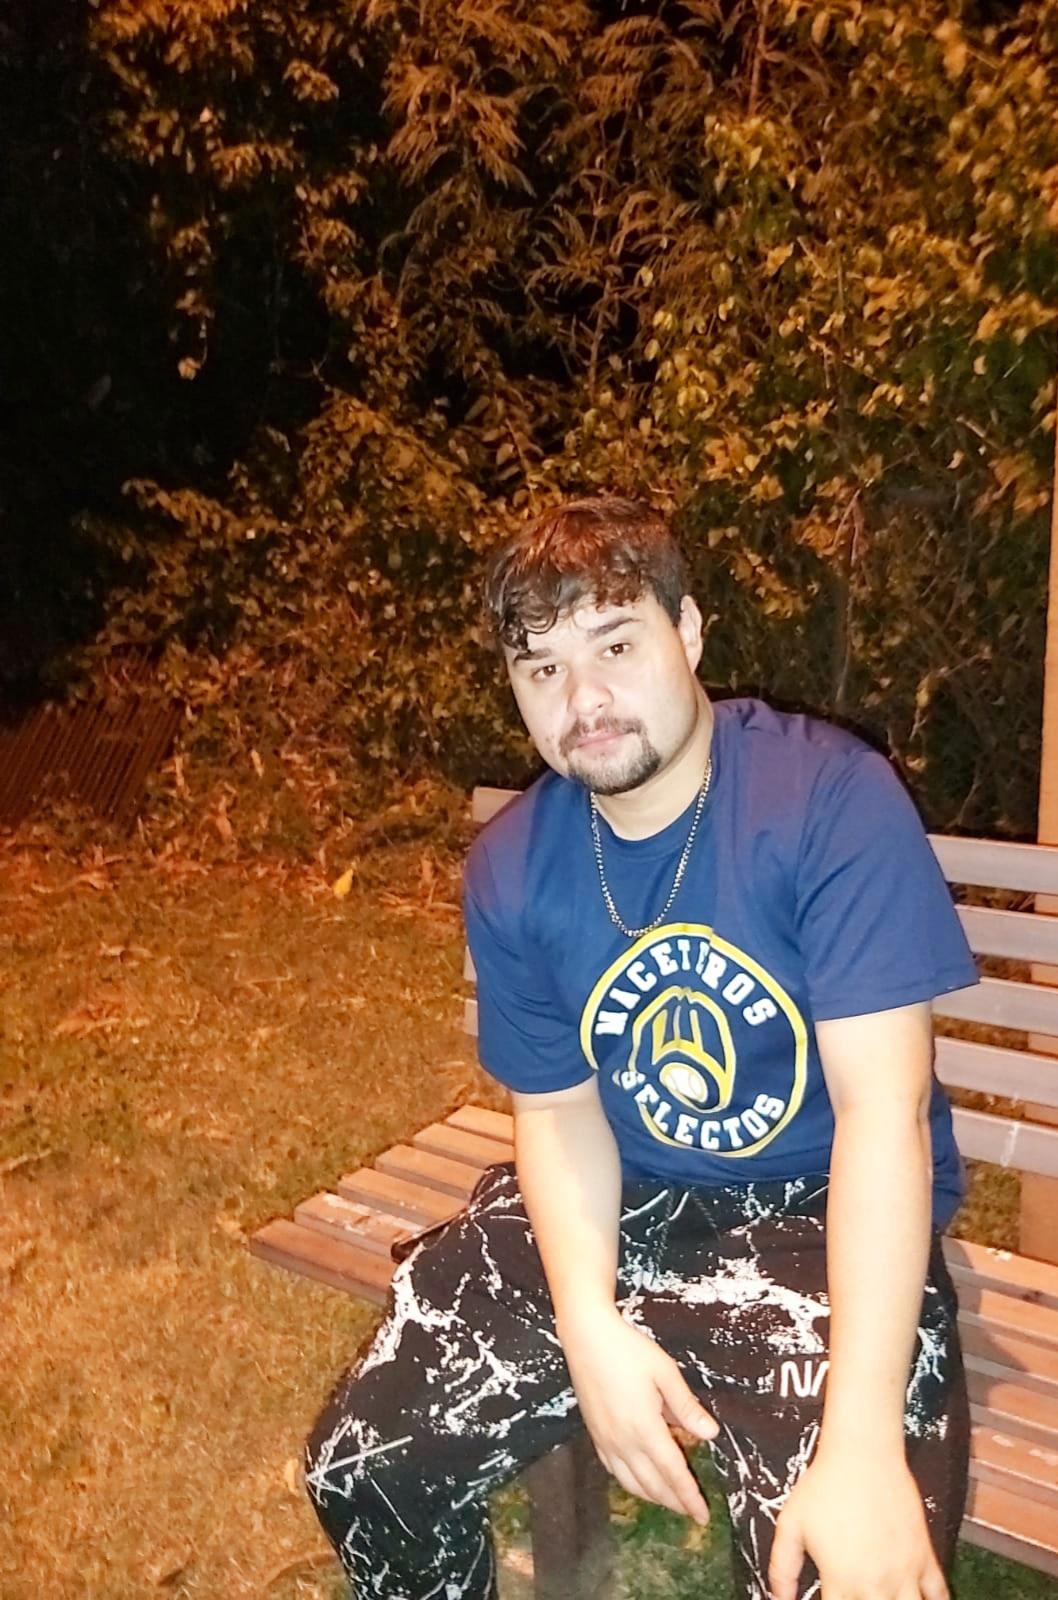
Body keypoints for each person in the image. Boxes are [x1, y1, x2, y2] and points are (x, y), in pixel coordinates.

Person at [305, 498, 977, 1600]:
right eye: (543, 669)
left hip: (819, 1208)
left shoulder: (824, 801)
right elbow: (558, 1111)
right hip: (622, 1195)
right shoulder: (513, 865)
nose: (584, 702)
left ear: (689, 632)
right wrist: (588, 1326)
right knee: (366, 1468)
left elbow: (882, 1114)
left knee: (840, 1567)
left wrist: (858, 1444)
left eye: (615, 646)